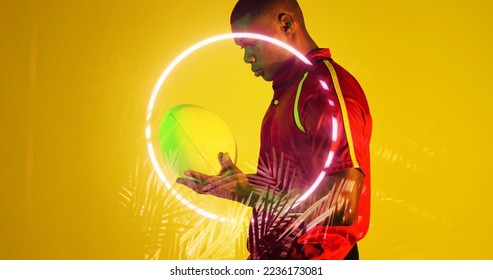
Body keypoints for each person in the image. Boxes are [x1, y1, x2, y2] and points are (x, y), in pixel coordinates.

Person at [177, 0, 372, 260]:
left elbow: (341, 204)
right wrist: (240, 189)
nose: (248, 58)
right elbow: (295, 187)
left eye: (251, 44)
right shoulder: (290, 90)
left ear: (286, 23)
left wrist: (251, 194)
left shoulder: (323, 92)